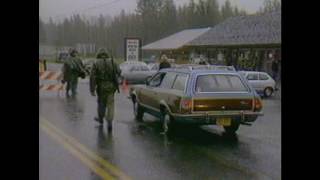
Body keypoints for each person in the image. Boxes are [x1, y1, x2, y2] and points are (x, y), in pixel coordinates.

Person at [90, 48, 121, 131]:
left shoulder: (96, 63)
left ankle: (101, 119)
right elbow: (119, 72)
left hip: (101, 87)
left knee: (101, 104)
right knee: (110, 105)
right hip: (111, 87)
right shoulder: (113, 61)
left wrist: (92, 90)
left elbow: (92, 77)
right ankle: (110, 121)